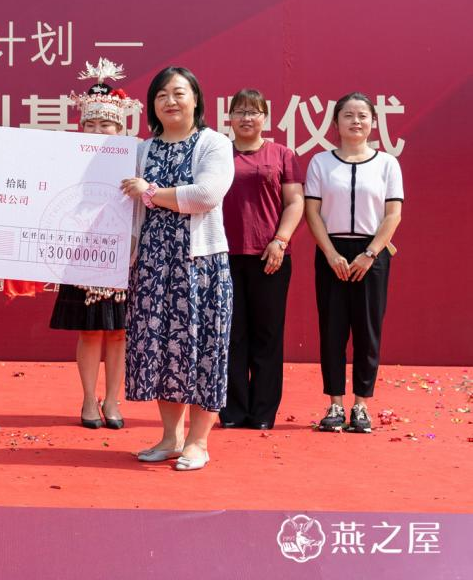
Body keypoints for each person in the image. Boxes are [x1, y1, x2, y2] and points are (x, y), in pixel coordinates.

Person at [120, 66, 234, 471]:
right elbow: (128, 210)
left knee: (203, 349)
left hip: (200, 266)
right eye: (162, 94)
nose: (170, 101)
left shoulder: (213, 143)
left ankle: (198, 442)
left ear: (196, 99)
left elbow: (206, 195)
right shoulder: (142, 150)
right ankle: (171, 437)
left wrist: (151, 192)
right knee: (163, 349)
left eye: (179, 93)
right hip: (153, 266)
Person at [50, 59, 141, 430]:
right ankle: (89, 398)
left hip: (124, 252)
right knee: (89, 330)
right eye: (92, 124)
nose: (99, 130)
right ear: (81, 126)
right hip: (81, 252)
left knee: (118, 332)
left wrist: (135, 246)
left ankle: (113, 399)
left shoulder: (136, 156)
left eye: (106, 124)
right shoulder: (66, 158)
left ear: (120, 127)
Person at [304, 92, 403, 434]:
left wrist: (370, 253)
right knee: (332, 329)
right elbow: (312, 212)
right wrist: (330, 253)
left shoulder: (387, 164)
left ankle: (361, 404)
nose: (356, 121)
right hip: (331, 251)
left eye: (363, 115)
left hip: (372, 254)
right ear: (335, 123)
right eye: (348, 115)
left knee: (367, 329)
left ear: (374, 122)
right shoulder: (320, 162)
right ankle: (334, 403)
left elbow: (393, 214)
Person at [218, 89, 305, 430]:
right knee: (231, 335)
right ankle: (232, 410)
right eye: (240, 111)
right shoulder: (218, 153)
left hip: (270, 256)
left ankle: (263, 412)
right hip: (224, 256)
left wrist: (280, 241)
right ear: (230, 117)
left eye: (253, 112)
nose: (246, 118)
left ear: (265, 118)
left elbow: (295, 202)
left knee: (267, 335)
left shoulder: (281, 154)